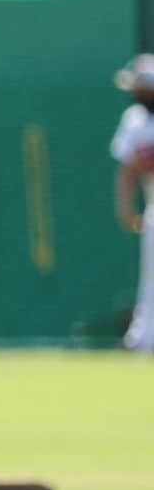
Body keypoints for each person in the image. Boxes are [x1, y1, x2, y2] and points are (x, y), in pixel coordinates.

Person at [111, 53, 154, 353]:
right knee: (150, 280)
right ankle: (143, 338)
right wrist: (126, 209)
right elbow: (127, 170)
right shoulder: (136, 120)